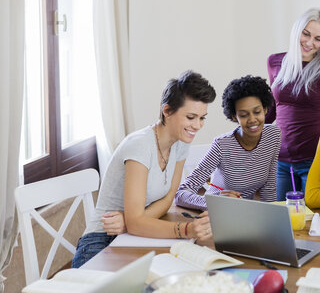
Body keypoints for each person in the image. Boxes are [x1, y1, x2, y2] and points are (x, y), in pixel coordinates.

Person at [72, 70, 217, 268]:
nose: (198, 125)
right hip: (101, 240)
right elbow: (137, 222)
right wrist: (186, 230)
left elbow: (167, 200)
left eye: (202, 118)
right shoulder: (140, 145)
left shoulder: (181, 142)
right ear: (167, 111)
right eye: (191, 117)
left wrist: (132, 221)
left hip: (131, 236)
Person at [265, 7, 320, 200]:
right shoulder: (275, 62)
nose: (310, 43)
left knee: (310, 220)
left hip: (313, 157)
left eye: (318, 39)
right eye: (305, 34)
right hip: (279, 157)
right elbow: (272, 109)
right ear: (296, 31)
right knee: (281, 217)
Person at [175, 75, 281, 210]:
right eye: (243, 115)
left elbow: (269, 188)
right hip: (216, 213)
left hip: (244, 213)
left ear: (265, 109)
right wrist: (217, 201)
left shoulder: (273, 135)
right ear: (234, 116)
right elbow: (181, 193)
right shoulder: (222, 145)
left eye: (257, 112)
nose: (252, 119)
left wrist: (270, 216)